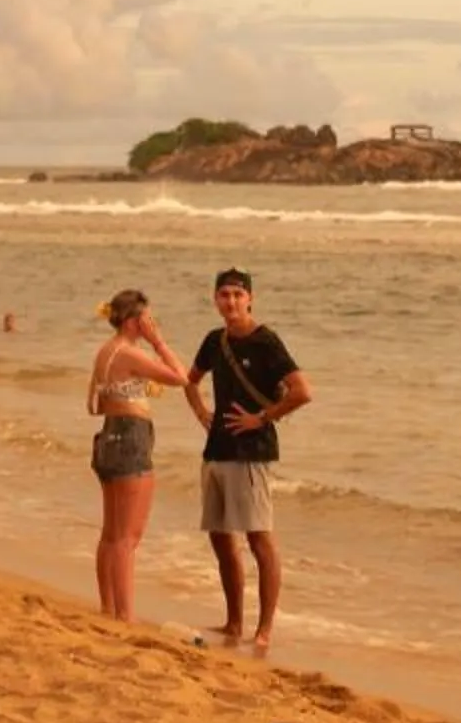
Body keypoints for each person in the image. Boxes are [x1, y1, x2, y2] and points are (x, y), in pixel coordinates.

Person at [186, 266, 310, 651]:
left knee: (259, 539)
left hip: (252, 453)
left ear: (250, 299)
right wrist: (201, 413)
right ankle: (234, 622)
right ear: (215, 299)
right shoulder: (214, 340)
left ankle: (264, 630)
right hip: (217, 450)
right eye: (224, 295)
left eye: (238, 295)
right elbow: (190, 381)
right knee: (221, 539)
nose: (231, 302)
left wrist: (262, 418)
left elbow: (302, 391)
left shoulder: (266, 341)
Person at [84, 288, 188, 622]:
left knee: (111, 533)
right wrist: (158, 343)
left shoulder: (106, 351)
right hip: (130, 438)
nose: (151, 323)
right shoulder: (128, 353)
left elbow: (95, 405)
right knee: (127, 538)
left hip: (109, 436)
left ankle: (108, 607)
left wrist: (133, 390)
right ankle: (125, 614)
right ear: (134, 321)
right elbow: (181, 377)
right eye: (147, 318)